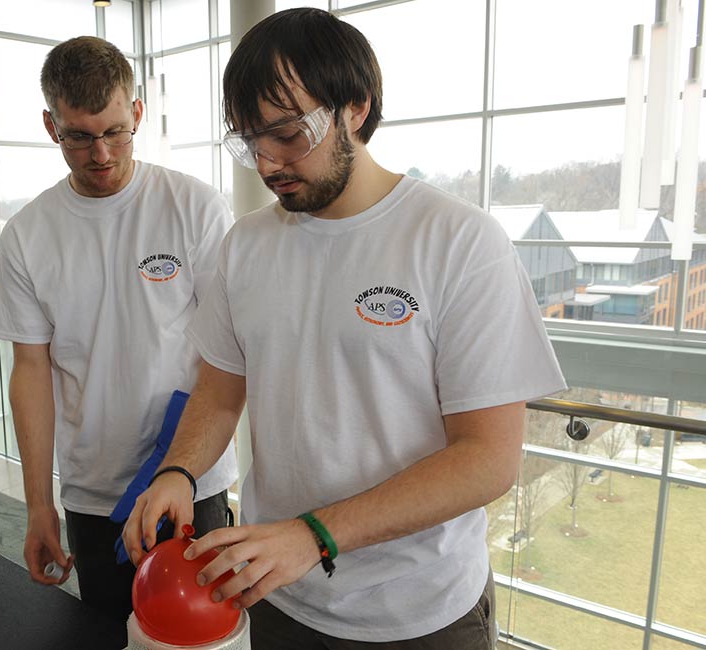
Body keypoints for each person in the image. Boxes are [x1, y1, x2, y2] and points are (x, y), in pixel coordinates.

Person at [123, 8, 567, 649]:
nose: (268, 162)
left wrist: (313, 535)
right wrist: (179, 473)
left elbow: (488, 460)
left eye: (288, 133)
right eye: (250, 140)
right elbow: (220, 392)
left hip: (420, 610)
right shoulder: (244, 246)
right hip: (275, 590)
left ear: (354, 108)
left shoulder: (459, 242)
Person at [0, 36, 238, 623]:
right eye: (79, 136)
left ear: (138, 113)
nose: (101, 153)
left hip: (189, 478)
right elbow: (31, 371)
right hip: (94, 490)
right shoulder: (27, 234)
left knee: (197, 631)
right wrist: (37, 504)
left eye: (116, 131)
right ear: (51, 125)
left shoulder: (194, 207)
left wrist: (184, 467)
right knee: (105, 630)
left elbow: (230, 355)